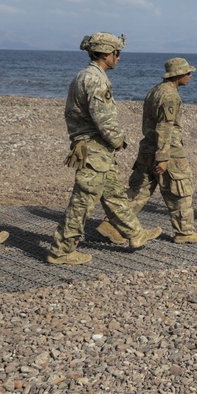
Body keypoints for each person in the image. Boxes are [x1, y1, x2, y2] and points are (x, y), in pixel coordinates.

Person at [48, 33, 161, 265]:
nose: (119, 58)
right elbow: (104, 119)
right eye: (116, 54)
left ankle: (135, 233)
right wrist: (118, 141)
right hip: (94, 150)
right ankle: (61, 250)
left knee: (113, 194)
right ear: (106, 53)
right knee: (83, 201)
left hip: (93, 149)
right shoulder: (96, 80)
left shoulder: (84, 75)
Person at [115, 57, 197, 243]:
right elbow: (165, 127)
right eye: (188, 73)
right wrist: (163, 157)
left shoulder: (155, 91)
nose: (190, 76)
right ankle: (184, 232)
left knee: (139, 190)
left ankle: (114, 224)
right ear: (178, 75)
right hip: (167, 150)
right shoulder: (170, 95)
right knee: (179, 192)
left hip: (148, 147)